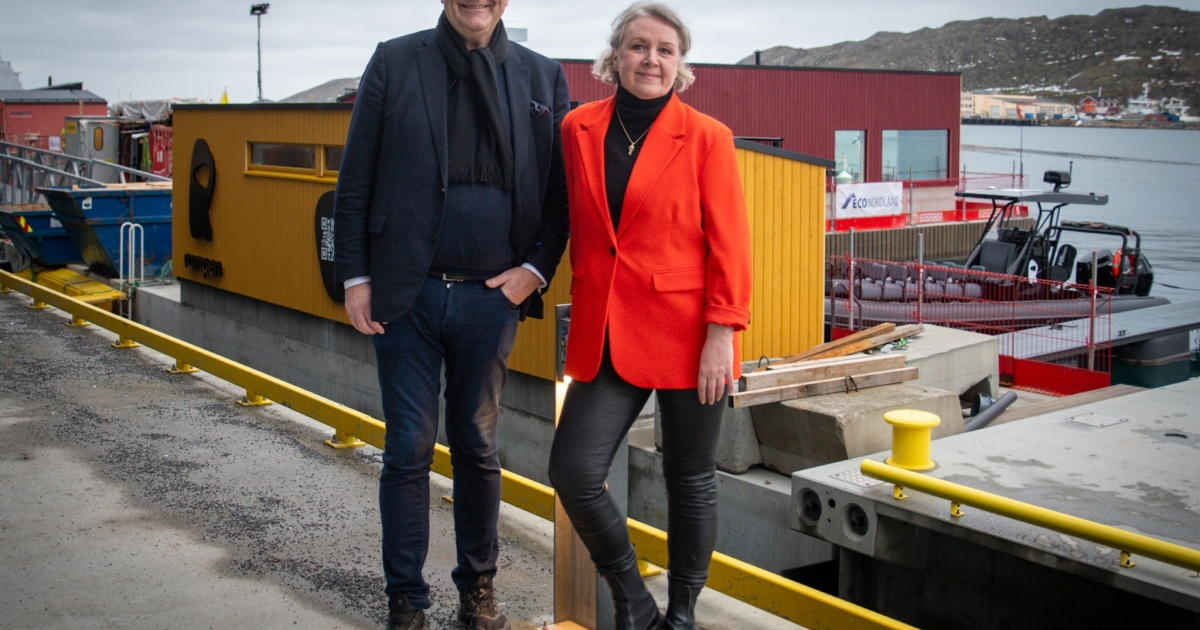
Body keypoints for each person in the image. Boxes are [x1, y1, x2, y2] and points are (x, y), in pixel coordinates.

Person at [333, 0, 570, 627]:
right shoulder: (394, 61)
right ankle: (405, 598)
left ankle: (477, 590)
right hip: (404, 296)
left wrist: (535, 270)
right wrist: (356, 277)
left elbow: (558, 193)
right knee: (408, 446)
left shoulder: (542, 75)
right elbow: (355, 177)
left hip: (489, 301)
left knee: (477, 444)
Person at [547, 3, 752, 629]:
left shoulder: (708, 136)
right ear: (615, 56)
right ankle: (633, 601)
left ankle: (682, 615)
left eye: (665, 50)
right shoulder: (577, 127)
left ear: (680, 63)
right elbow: (565, 217)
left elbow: (730, 243)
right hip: (607, 330)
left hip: (690, 334)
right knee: (573, 472)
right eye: (638, 46)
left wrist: (722, 334)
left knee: (689, 477)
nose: (651, 60)